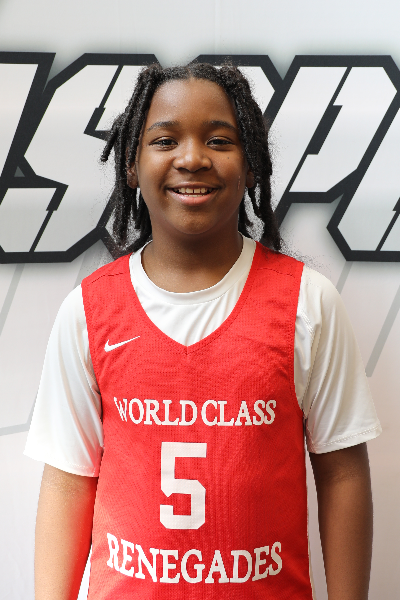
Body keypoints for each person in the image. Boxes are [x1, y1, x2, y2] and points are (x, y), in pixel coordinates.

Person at [25, 62, 381, 600]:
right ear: (131, 164)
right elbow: (68, 481)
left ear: (252, 165)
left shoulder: (308, 303)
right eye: (165, 140)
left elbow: (342, 474)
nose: (192, 158)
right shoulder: (89, 310)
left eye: (218, 140)